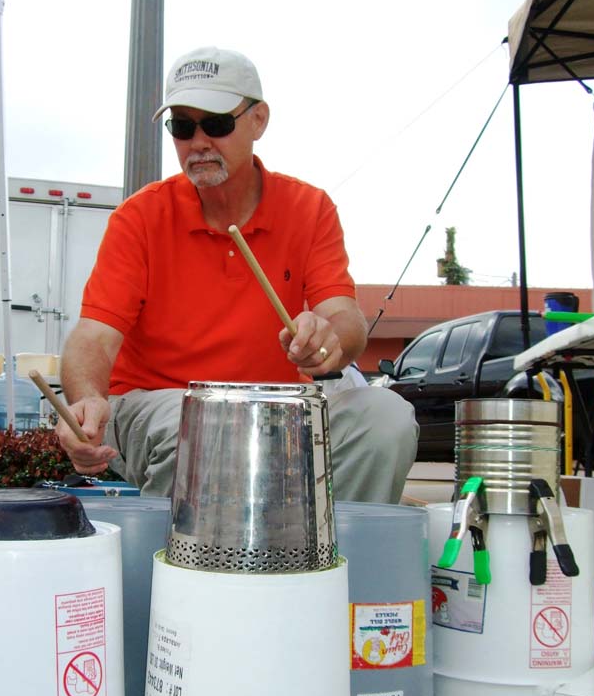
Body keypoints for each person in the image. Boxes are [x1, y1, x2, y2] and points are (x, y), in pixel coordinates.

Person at [56, 46, 417, 502]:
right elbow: (94, 335)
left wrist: (328, 340)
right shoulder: (140, 217)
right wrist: (85, 399)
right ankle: (185, 571)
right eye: (182, 127)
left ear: (258, 121)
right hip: (160, 403)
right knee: (205, 426)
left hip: (275, 411)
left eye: (217, 123)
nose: (198, 141)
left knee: (385, 418)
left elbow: (345, 318)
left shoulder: (310, 208)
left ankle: (334, 562)